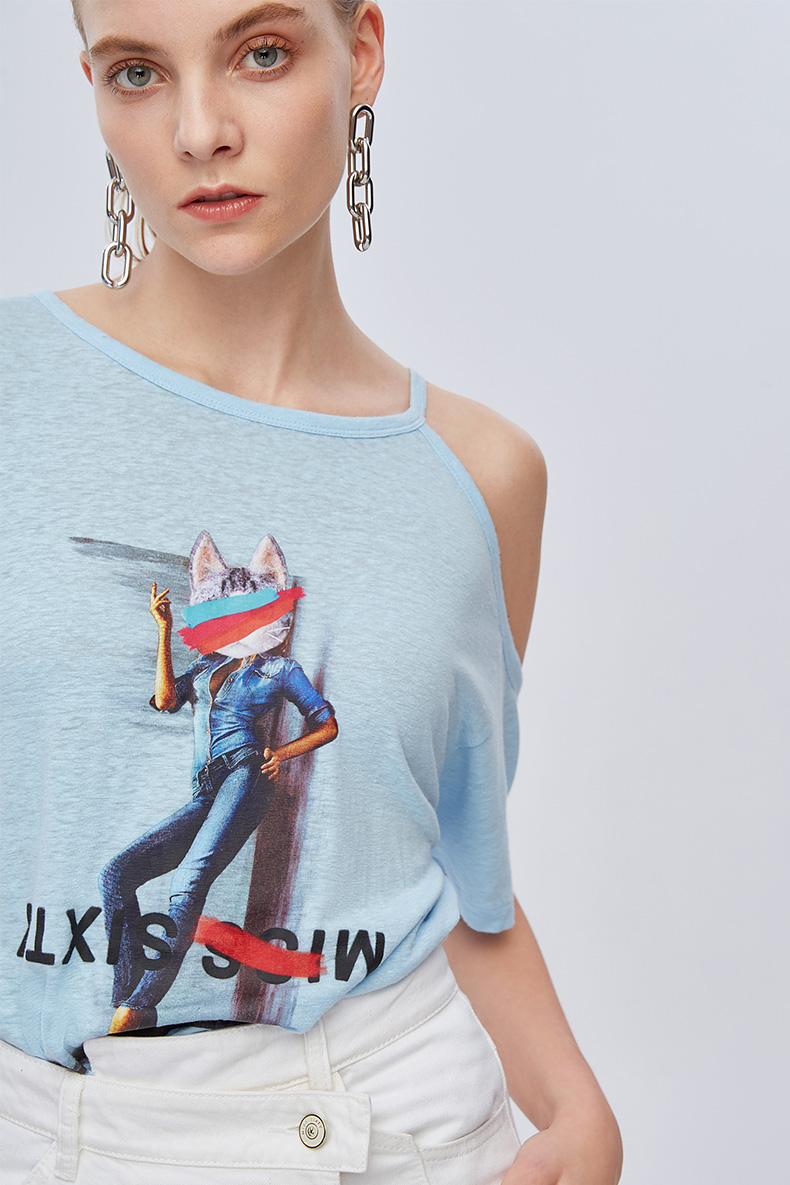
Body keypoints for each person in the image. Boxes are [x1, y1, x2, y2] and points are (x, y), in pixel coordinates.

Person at [0, 2, 623, 1182]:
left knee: (187, 880)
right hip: (48, 1129)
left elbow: (454, 865)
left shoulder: (480, 478)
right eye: (138, 73)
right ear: (93, 89)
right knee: (137, 877)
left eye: (261, 53)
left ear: (363, 54)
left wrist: (575, 1110)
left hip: (393, 1126)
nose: (200, 131)